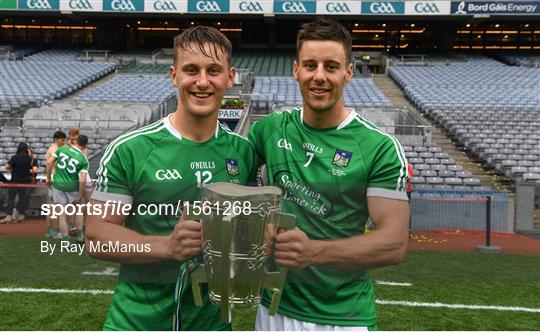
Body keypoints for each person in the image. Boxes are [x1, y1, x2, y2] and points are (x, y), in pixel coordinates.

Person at [85, 26, 257, 331]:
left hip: (212, 324)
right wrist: (168, 247)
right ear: (174, 75)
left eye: (213, 71)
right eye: (191, 70)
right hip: (137, 323)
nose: (202, 82)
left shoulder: (244, 153)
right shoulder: (131, 150)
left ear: (230, 78)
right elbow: (97, 236)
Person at [249, 17, 410, 330]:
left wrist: (313, 252)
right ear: (296, 70)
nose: (319, 76)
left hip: (343, 318)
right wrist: (258, 219)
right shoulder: (270, 129)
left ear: (348, 73)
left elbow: (394, 243)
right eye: (310, 65)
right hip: (273, 311)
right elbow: (229, 178)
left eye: (331, 66)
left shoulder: (379, 147)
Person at [46, 135, 89, 243]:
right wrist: (80, 194)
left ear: (75, 142)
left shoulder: (63, 149)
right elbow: (83, 179)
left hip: (58, 185)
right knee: (78, 210)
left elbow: (49, 162)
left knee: (61, 215)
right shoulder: (83, 160)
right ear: (85, 145)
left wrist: (48, 178)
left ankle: (66, 241)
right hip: (72, 186)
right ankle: (80, 236)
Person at [0, 142, 33, 223]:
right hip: (24, 182)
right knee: (22, 199)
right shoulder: (29, 159)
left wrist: (13, 169)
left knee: (11, 199)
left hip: (14, 182)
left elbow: (7, 167)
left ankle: (9, 216)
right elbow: (30, 169)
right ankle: (21, 215)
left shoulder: (15, 157)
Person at [44, 131, 67, 238]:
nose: (64, 142)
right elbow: (52, 164)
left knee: (51, 206)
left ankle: (50, 231)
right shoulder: (54, 150)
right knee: (55, 207)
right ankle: (55, 231)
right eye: (62, 140)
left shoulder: (55, 149)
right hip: (55, 179)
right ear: (56, 139)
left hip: (54, 178)